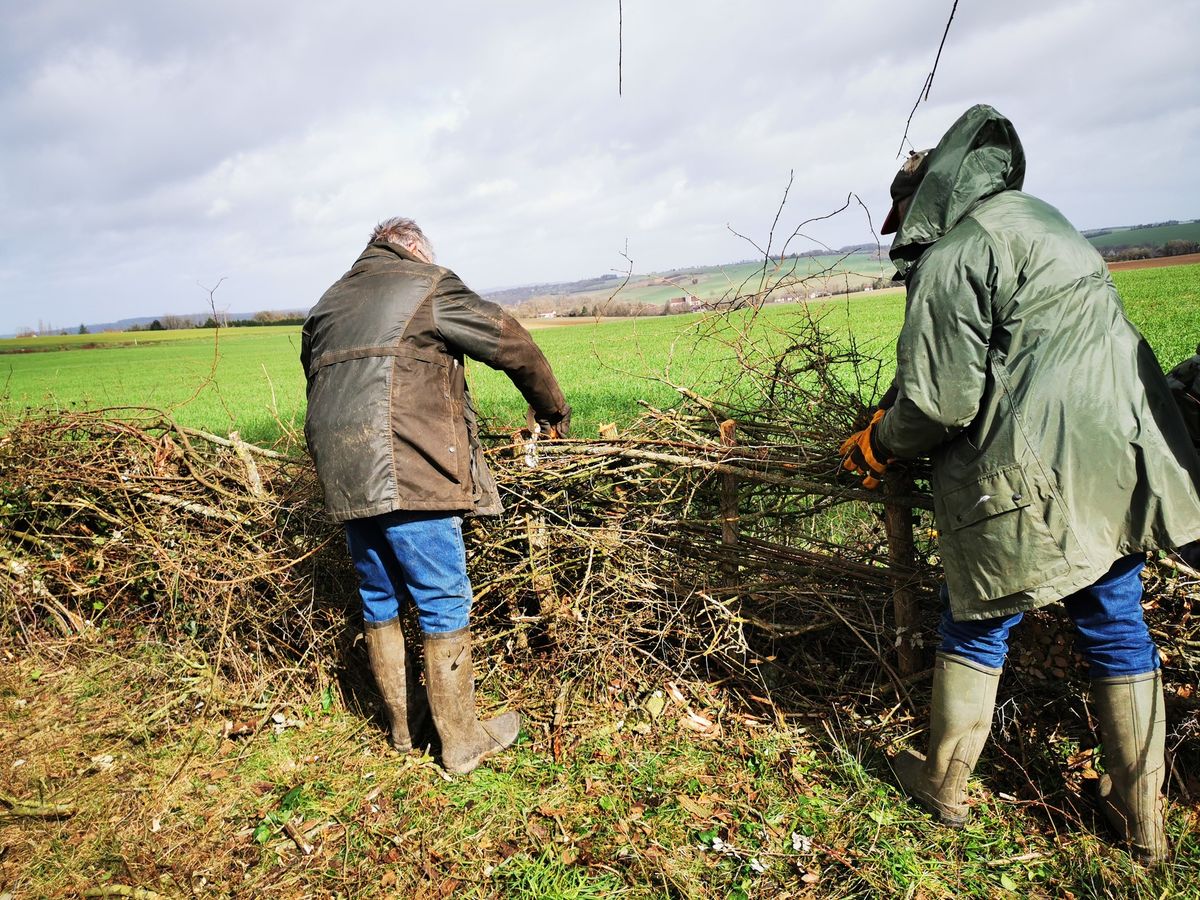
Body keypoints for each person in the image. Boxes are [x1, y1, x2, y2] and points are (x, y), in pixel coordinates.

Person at [839, 105, 1200, 862]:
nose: (897, 235)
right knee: (1114, 619)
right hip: (1125, 452)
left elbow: (941, 401)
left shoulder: (955, 255)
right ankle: (1144, 824)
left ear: (925, 198)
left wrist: (879, 442)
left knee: (978, 611)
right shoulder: (1042, 220)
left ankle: (942, 783)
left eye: (898, 217)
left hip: (1034, 468)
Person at [301, 217, 571, 774]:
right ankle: (462, 742)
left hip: (345, 474)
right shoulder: (427, 284)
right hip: (410, 465)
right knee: (442, 597)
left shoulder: (328, 302)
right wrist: (552, 410)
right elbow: (509, 341)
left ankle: (405, 729)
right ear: (416, 250)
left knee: (379, 600)